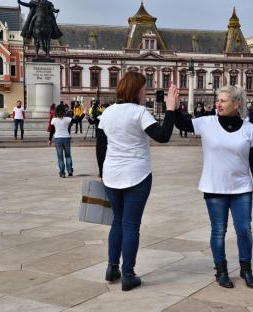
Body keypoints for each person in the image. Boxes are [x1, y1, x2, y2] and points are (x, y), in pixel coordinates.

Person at [174, 85, 253, 289]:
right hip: (214, 187)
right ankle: (221, 271)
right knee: (218, 230)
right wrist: (174, 105)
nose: (218, 103)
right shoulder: (207, 122)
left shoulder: (248, 128)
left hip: (241, 188)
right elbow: (181, 123)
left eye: (223, 100)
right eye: (218, 100)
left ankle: (246, 269)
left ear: (236, 103)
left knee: (244, 230)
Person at [96, 72, 178, 291]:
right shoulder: (140, 112)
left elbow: (100, 145)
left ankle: (112, 268)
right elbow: (163, 136)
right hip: (136, 175)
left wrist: (101, 171)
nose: (145, 92)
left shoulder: (108, 112)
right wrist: (170, 109)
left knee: (117, 222)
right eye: (143, 88)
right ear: (136, 90)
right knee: (131, 225)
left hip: (111, 174)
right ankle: (128, 274)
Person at [50, 104, 73, 178]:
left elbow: (52, 131)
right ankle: (69, 170)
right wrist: (83, 114)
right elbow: (77, 120)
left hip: (58, 138)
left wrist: (49, 139)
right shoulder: (67, 119)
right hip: (66, 138)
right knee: (68, 156)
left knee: (60, 157)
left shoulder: (54, 120)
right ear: (64, 111)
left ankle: (62, 173)